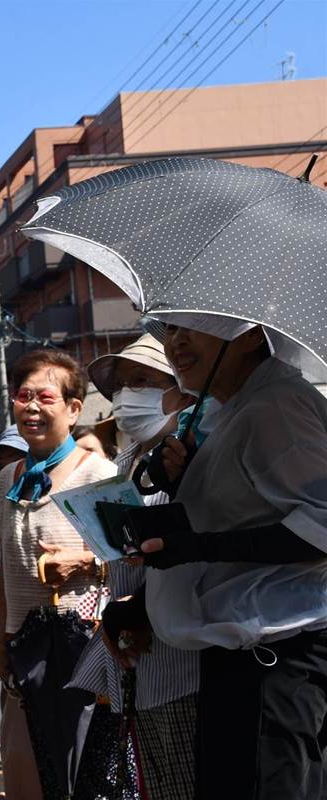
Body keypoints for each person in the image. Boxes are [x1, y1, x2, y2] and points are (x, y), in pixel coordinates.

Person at [102, 318, 327, 800]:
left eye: (193, 327)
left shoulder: (275, 407)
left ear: (250, 335)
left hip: (280, 655)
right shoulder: (226, 412)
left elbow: (321, 526)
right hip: (245, 652)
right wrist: (141, 605)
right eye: (170, 329)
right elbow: (241, 517)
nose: (177, 341)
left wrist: (198, 547)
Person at [69, 334, 198, 800]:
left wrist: (136, 608)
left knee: (185, 781)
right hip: (133, 663)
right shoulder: (125, 462)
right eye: (121, 384)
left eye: (142, 380)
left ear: (181, 390)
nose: (127, 394)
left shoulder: (196, 456)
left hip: (184, 661)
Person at [0, 350, 117, 800]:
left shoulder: (98, 473)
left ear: (74, 408)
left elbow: (134, 559)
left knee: (82, 772)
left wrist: (83, 561)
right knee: (25, 769)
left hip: (86, 644)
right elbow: (6, 566)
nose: (31, 407)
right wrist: (3, 643)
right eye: (23, 396)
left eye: (45, 397)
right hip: (26, 647)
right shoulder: (8, 478)